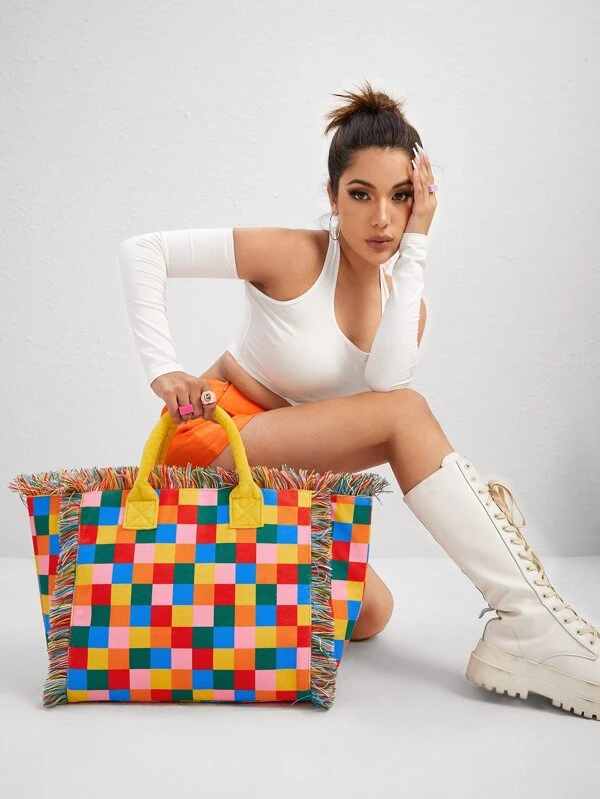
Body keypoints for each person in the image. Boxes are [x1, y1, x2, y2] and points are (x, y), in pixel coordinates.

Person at [118, 80, 599, 720]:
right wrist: (165, 370)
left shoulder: (407, 307)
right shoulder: (295, 255)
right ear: (332, 196)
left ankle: (208, 609)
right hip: (214, 440)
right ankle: (529, 623)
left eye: (401, 197)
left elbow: (387, 381)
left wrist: (416, 249)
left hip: (278, 477)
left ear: (419, 203)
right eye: (361, 194)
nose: (381, 219)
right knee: (406, 414)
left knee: (371, 613)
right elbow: (143, 251)